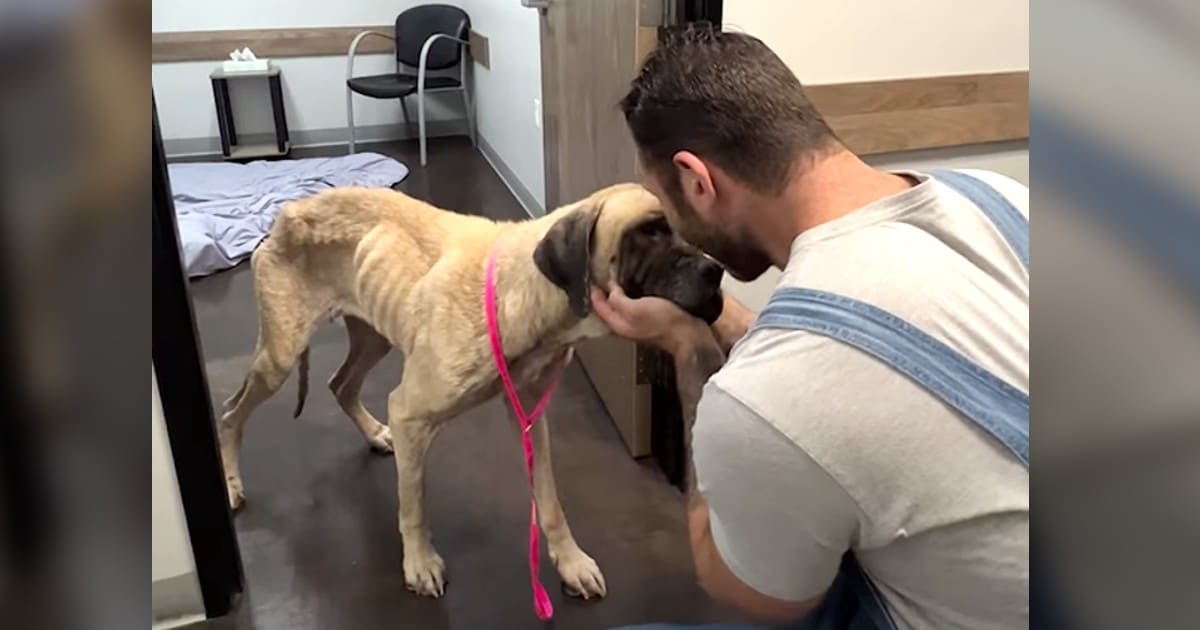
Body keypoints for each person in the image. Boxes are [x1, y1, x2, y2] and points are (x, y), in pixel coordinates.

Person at [595, 25, 1029, 630]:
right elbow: (868, 352)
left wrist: (688, 348)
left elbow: (752, 593)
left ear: (697, 181)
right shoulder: (1002, 198)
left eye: (663, 204)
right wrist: (719, 314)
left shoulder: (762, 400)